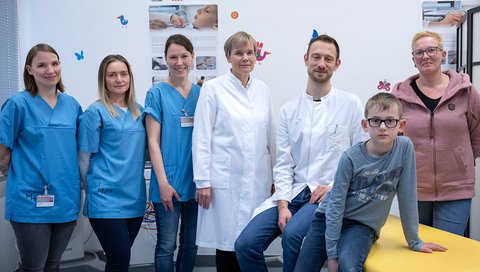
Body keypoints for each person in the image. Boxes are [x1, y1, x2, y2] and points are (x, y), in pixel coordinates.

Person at [235, 34, 368, 272]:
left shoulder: (350, 104)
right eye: (316, 57)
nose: (321, 63)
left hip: (326, 193)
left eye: (328, 59)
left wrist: (333, 186)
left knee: (293, 235)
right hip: (293, 192)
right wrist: (283, 204)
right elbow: (284, 162)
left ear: (337, 64)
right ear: (306, 59)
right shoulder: (289, 110)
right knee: (245, 244)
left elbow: (361, 158)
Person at [295, 92, 447, 272]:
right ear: (365, 125)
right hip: (328, 219)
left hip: (362, 225)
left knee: (350, 267)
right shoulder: (350, 157)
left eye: (390, 121)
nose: (383, 127)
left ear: (401, 125)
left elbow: (407, 197)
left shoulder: (405, 148)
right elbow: (335, 207)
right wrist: (332, 255)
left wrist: (414, 241)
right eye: (375, 121)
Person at [192, 31, 274, 272]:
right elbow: (202, 137)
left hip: (258, 180)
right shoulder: (213, 89)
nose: (245, 58)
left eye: (250, 52)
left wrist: (276, 179)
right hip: (224, 181)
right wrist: (203, 181)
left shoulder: (263, 90)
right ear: (228, 57)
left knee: (250, 243)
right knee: (227, 245)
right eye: (238, 53)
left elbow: (271, 137)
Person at [0, 43, 82, 271]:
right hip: (30, 199)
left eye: (55, 63)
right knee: (33, 267)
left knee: (53, 264)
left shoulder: (72, 105)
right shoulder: (17, 104)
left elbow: (80, 150)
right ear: (29, 70)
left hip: (65, 197)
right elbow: (2, 148)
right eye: (42, 65)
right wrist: (8, 166)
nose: (50, 70)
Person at [392, 31, 480, 236]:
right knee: (417, 250)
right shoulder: (399, 97)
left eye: (431, 50)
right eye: (419, 52)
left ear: (443, 55)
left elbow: (477, 135)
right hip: (413, 187)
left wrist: (459, 157)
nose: (425, 56)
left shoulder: (466, 91)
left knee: (447, 251)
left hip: (456, 187)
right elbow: (394, 139)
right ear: (413, 60)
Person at [78, 54, 146, 272]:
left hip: (134, 197)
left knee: (121, 258)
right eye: (112, 75)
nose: (119, 79)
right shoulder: (95, 112)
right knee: (119, 259)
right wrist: (92, 189)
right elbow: (83, 158)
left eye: (123, 74)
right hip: (105, 198)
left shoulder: (140, 111)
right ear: (104, 80)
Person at [145, 34, 201, 272]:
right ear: (165, 59)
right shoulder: (156, 94)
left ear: (193, 57)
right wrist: (163, 183)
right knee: (166, 246)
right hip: (166, 182)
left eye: (184, 56)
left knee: (191, 245)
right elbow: (153, 142)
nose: (179, 62)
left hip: (197, 184)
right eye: (173, 57)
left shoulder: (203, 94)